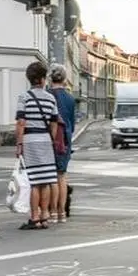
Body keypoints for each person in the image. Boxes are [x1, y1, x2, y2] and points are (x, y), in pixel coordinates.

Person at [15, 61, 60, 230]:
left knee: (34, 181)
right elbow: (54, 123)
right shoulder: (51, 98)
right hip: (46, 140)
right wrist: (51, 140)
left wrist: (19, 144)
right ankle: (44, 217)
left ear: (30, 79)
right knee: (46, 180)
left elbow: (21, 122)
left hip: (30, 140)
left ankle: (34, 217)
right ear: (42, 79)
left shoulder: (24, 97)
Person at [47, 64, 76, 223]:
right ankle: (61, 214)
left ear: (50, 78)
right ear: (64, 79)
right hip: (65, 139)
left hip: (49, 139)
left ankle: (51, 212)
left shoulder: (46, 95)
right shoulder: (70, 98)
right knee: (62, 176)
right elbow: (72, 124)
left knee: (50, 177)